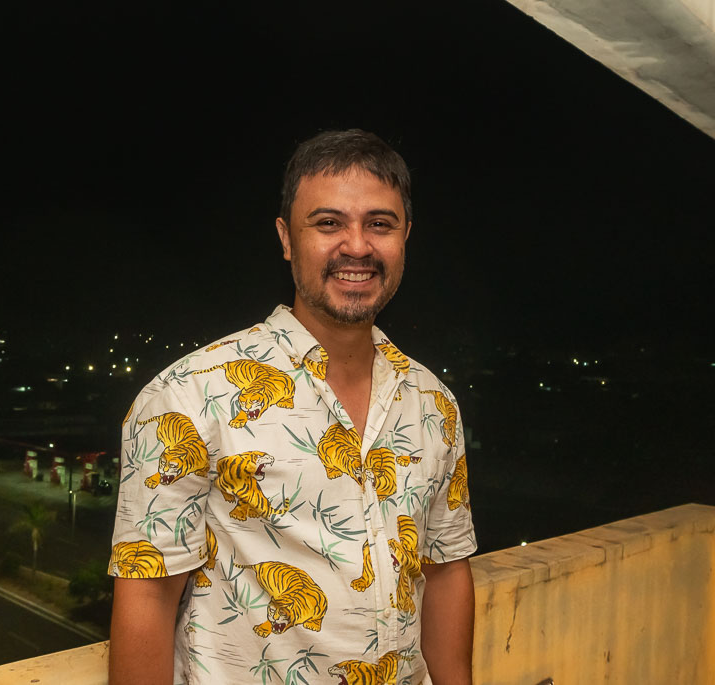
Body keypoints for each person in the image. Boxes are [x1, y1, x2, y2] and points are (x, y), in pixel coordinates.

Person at [108, 129, 476, 685]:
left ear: (406, 237)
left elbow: (446, 570)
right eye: (328, 224)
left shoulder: (433, 403)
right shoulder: (188, 396)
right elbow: (148, 594)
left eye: (380, 223)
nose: (357, 246)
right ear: (285, 238)